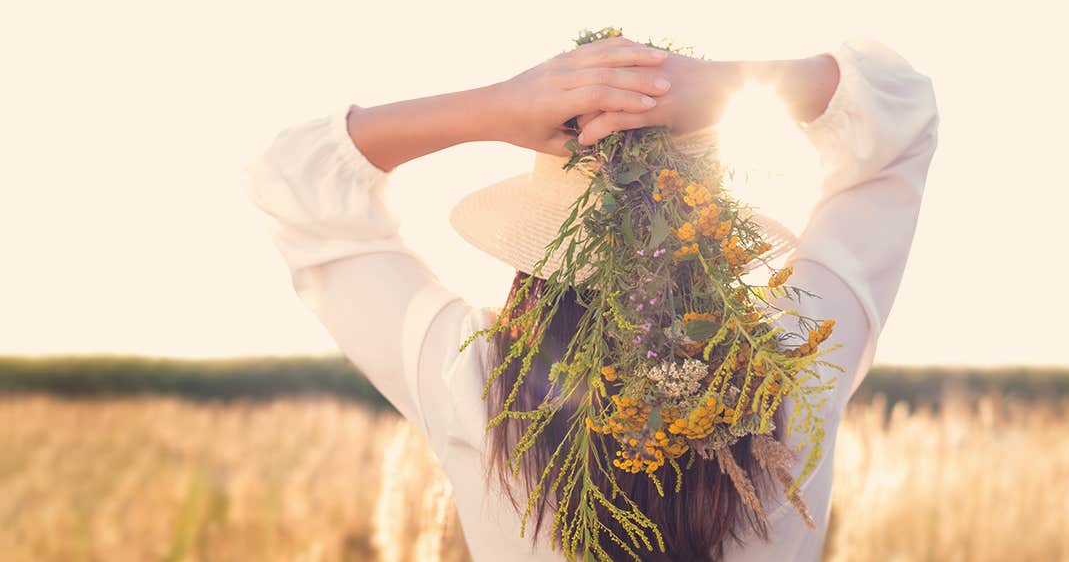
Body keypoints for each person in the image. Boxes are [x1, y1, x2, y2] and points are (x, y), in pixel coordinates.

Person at [245, 35, 939, 561]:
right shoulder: (797, 354)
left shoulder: (480, 384)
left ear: (544, 242)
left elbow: (296, 179)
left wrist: (497, 107)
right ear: (711, 215)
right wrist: (726, 86)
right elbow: (900, 112)